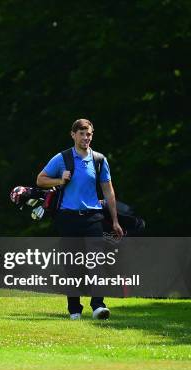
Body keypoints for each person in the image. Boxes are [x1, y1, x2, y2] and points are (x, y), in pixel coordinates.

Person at [36, 118, 123, 320]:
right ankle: (74, 309)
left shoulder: (99, 160)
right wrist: (59, 180)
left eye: (89, 134)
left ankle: (98, 305)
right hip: (68, 217)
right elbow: (40, 179)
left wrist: (115, 220)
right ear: (73, 135)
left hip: (93, 216)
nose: (86, 138)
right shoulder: (62, 158)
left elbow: (108, 191)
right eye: (82, 134)